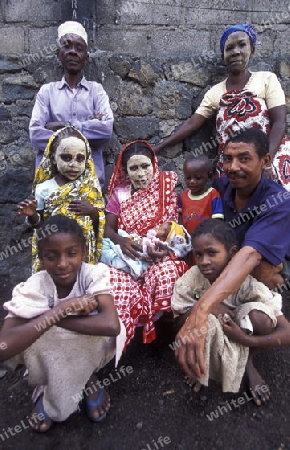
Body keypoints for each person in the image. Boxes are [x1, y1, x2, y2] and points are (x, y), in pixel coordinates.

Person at [174, 128, 290, 387]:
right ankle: (223, 353)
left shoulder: (279, 201)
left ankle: (243, 358)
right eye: (227, 159)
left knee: (264, 273)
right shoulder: (220, 187)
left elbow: (250, 256)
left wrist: (202, 309)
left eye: (244, 158)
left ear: (265, 161)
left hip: (255, 269)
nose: (233, 166)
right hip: (228, 265)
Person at [0, 215, 125, 432]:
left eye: (72, 253)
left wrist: (50, 319)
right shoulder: (36, 285)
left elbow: (111, 325)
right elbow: (4, 348)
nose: (62, 264)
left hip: (92, 349)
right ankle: (82, 383)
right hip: (55, 354)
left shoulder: (93, 274)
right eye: (51, 256)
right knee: (46, 340)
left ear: (84, 252)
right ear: (40, 258)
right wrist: (62, 309)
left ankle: (57, 399)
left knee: (58, 336)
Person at [154, 23, 290, 190]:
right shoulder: (216, 92)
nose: (236, 52)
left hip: (268, 157)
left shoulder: (266, 79)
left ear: (252, 50)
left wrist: (265, 161)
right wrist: (158, 147)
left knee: (275, 207)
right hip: (233, 164)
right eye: (229, 48)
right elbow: (192, 124)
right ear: (223, 55)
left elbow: (279, 122)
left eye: (242, 45)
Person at [172, 219, 290, 404]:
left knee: (261, 319)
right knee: (198, 325)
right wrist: (207, 308)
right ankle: (203, 370)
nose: (204, 261)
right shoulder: (190, 281)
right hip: (214, 335)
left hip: (241, 333)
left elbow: (286, 332)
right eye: (198, 255)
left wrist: (246, 340)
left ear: (232, 253)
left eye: (212, 253)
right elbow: (178, 323)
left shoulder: (247, 283)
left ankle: (248, 363)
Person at [104, 140, 189, 347]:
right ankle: (120, 335)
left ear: (154, 165)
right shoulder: (120, 194)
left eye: (145, 166)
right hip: (126, 254)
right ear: (125, 170)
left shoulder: (165, 188)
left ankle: (163, 334)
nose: (140, 173)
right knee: (107, 278)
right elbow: (107, 230)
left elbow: (172, 230)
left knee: (167, 274)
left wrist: (161, 251)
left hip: (159, 255)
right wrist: (122, 241)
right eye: (134, 168)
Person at [29, 20, 113, 187]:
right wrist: (88, 126)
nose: (73, 52)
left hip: (89, 185)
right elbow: (36, 134)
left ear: (86, 59)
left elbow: (105, 130)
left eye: (79, 48)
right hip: (52, 183)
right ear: (58, 53)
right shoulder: (47, 92)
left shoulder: (96, 91)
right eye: (67, 47)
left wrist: (61, 126)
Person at [18, 126, 105, 273]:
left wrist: (92, 212)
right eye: (66, 157)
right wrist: (33, 215)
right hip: (56, 252)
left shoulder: (90, 187)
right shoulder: (44, 188)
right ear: (53, 157)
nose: (73, 164)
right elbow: (40, 227)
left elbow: (100, 222)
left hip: (82, 251)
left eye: (80, 159)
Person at [100, 220, 192, 279]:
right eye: (160, 225)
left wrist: (144, 244)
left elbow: (146, 252)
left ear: (163, 240)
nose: (157, 226)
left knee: (106, 251)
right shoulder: (150, 238)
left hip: (132, 262)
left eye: (160, 228)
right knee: (118, 235)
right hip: (130, 247)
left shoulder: (155, 246)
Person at [180, 154, 224, 235]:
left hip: (205, 239)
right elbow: (179, 217)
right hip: (186, 238)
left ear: (209, 177)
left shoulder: (213, 195)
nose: (192, 181)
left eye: (198, 178)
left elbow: (217, 220)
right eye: (188, 178)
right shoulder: (183, 196)